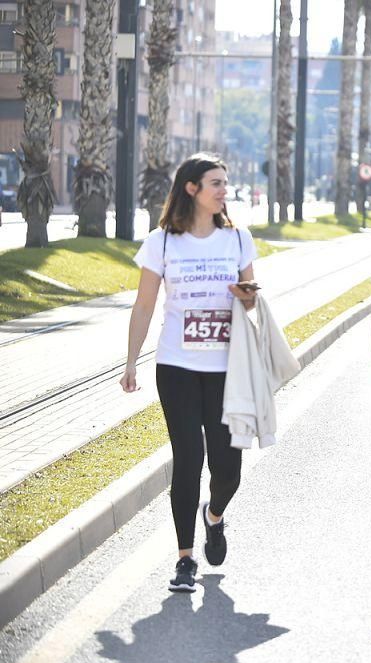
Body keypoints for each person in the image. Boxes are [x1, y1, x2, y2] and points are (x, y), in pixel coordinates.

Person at [119, 153, 259, 593]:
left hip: (225, 368)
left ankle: (213, 515)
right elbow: (144, 306)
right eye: (215, 183)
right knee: (188, 458)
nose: (224, 190)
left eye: (225, 183)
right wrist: (130, 362)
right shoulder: (162, 243)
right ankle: (184, 558)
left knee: (228, 465)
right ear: (191, 189)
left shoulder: (237, 240)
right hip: (177, 364)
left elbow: (252, 300)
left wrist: (246, 297)